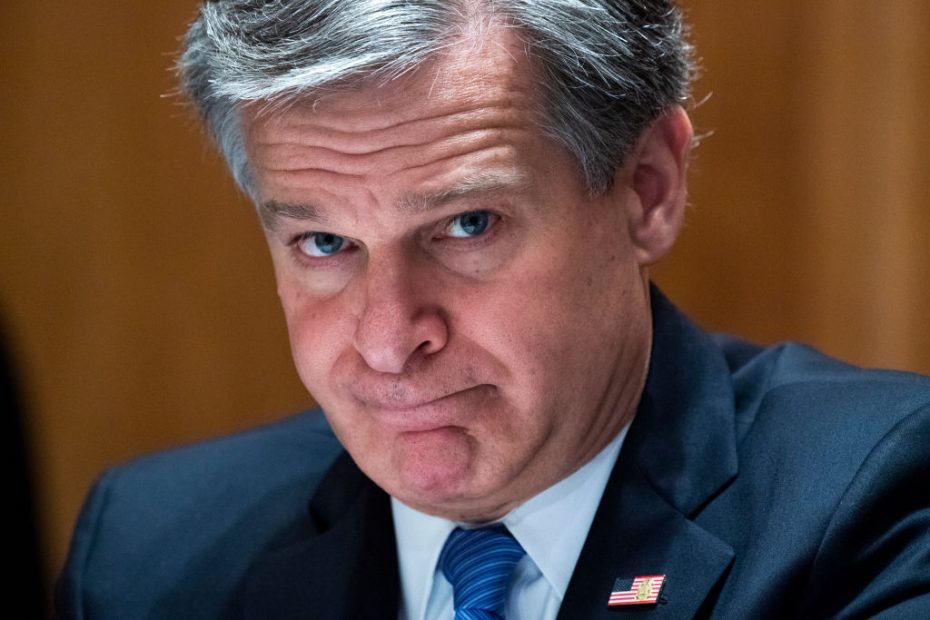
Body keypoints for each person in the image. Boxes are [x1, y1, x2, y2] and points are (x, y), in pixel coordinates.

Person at [56, 1, 930, 618]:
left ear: (647, 189)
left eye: (468, 225)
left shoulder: (877, 504)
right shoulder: (148, 553)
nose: (389, 340)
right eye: (324, 242)